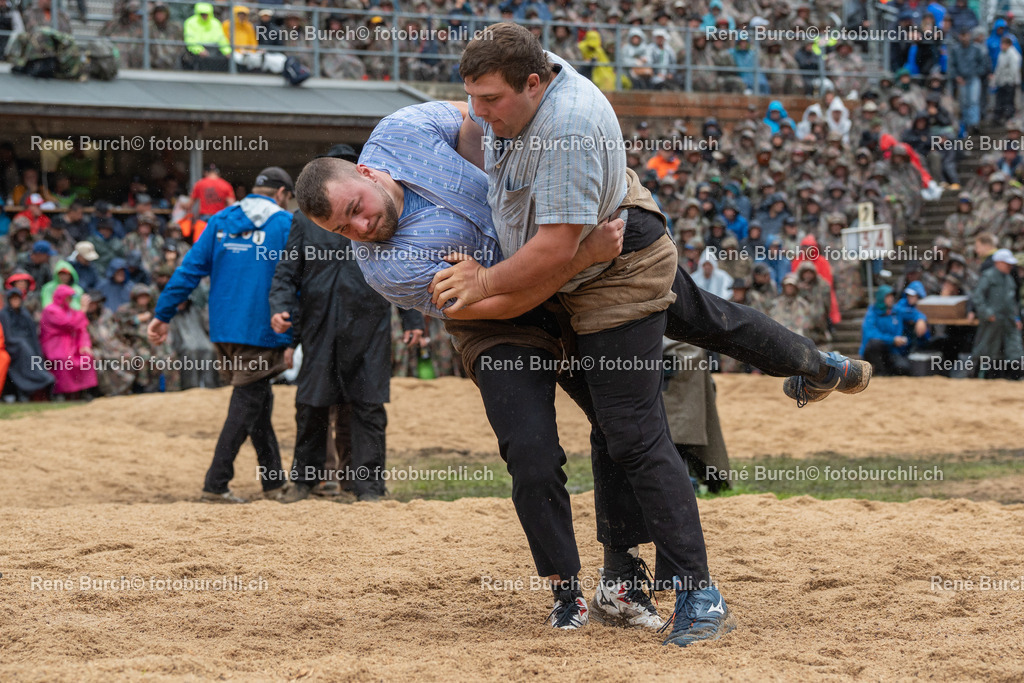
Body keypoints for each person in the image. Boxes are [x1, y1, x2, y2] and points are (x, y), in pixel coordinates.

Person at [298, 30, 869, 641]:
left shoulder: (420, 130)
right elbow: (505, 298)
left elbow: (495, 161)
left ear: (368, 170)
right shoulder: (385, 265)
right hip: (513, 307)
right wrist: (565, 256)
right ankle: (580, 585)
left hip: (599, 254)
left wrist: (564, 248)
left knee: (667, 374)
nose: (361, 227)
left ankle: (653, 576)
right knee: (554, 444)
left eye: (356, 208)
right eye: (344, 229)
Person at [269, 145, 426, 504]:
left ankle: (367, 487)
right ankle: (304, 481)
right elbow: (286, 272)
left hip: (369, 325)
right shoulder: (304, 220)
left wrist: (412, 317)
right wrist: (280, 307)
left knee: (367, 405)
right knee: (311, 404)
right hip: (319, 324)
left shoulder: (378, 211)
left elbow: (403, 269)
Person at [149, 168, 294, 502]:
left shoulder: (220, 220)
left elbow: (189, 270)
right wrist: (295, 332)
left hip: (224, 328)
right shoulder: (286, 224)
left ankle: (274, 482)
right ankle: (215, 483)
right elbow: (296, 281)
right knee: (247, 403)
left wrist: (162, 314)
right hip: (262, 327)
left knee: (257, 401)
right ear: (282, 194)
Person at [971, 249, 1024, 379]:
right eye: (1007, 264)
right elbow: (978, 297)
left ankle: (1013, 377)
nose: (1010, 266)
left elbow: (1013, 302)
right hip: (992, 321)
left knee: (1014, 348)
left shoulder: (1009, 279)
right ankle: (975, 375)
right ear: (998, 262)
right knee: (986, 349)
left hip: (1008, 321)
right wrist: (986, 313)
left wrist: (1016, 318)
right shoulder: (988, 277)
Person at [39, 285, 98, 399]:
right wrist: (83, 310)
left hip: (73, 344)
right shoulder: (50, 310)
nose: (70, 300)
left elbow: (82, 329)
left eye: (71, 298)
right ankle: (60, 392)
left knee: (86, 357)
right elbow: (69, 324)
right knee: (64, 359)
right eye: (68, 297)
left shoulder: (72, 311)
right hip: (55, 344)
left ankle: (82, 391)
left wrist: (85, 345)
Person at [0, 287, 54, 400]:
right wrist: (21, 342)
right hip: (13, 347)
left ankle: (44, 380)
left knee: (36, 353)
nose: (15, 301)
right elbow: (8, 336)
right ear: (9, 300)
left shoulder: (25, 314)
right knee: (24, 352)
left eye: (17, 298)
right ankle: (39, 381)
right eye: (13, 299)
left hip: (28, 346)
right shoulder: (4, 314)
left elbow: (33, 335)